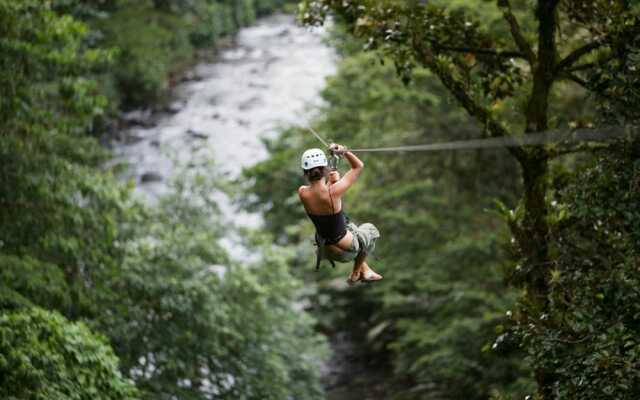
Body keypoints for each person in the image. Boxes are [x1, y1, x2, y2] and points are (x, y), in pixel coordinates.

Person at [298, 143, 382, 284]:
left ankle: (366, 270)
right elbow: (358, 166)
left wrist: (332, 182)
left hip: (326, 250)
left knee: (351, 226)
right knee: (371, 230)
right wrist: (344, 151)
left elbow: (323, 200)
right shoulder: (333, 191)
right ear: (325, 169)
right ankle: (356, 273)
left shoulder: (302, 192)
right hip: (346, 250)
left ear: (305, 172)